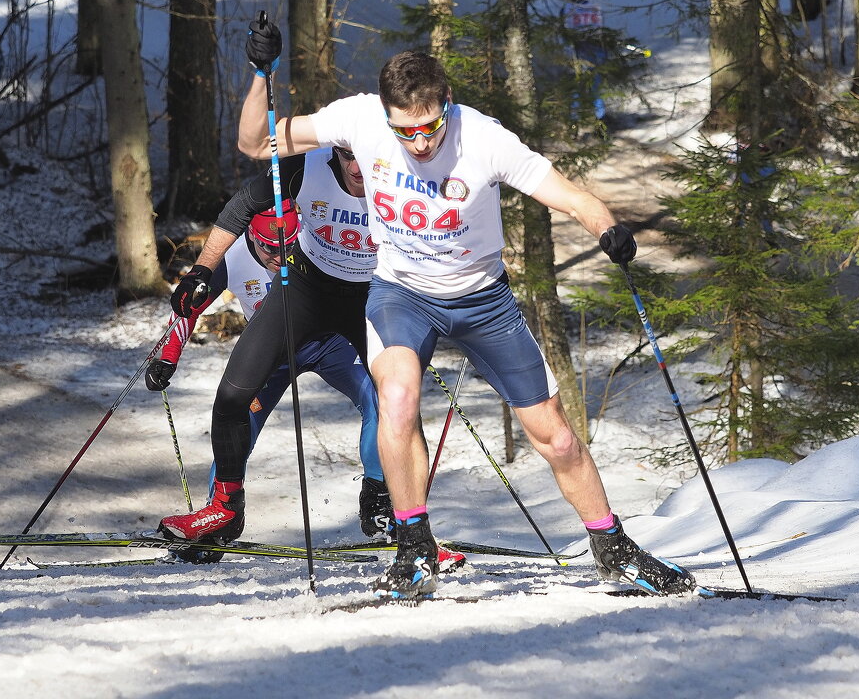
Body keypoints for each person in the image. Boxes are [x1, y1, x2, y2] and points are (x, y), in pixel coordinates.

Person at [254, 37, 696, 599]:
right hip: (401, 294)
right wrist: (259, 73)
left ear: (448, 104)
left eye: (429, 127)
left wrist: (606, 227)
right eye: (403, 131)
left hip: (483, 300)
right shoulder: (360, 118)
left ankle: (611, 547)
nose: (418, 141)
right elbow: (256, 140)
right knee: (396, 398)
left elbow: (568, 195)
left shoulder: (484, 138)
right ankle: (413, 547)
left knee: (555, 437)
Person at [160, 22, 465, 571]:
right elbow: (241, 203)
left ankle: (393, 511)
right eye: (345, 157)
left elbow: (452, 217)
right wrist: (204, 269)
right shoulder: (305, 170)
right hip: (304, 293)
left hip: (369, 300)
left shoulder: (397, 173)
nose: (355, 169)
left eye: (361, 158)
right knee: (232, 399)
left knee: (393, 401)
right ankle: (222, 512)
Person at [146, 201, 393, 540]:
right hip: (272, 355)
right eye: (269, 249)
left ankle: (379, 502)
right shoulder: (232, 254)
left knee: (383, 399)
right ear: (251, 235)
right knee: (237, 422)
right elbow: (192, 302)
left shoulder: (315, 232)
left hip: (332, 345)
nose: (279, 258)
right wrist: (168, 355)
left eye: (288, 246)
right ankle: (220, 518)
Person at [562, 0, 607, 123]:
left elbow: (564, 34)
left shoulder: (568, 9)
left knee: (577, 86)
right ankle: (599, 121)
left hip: (579, 52)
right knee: (594, 87)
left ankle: (576, 122)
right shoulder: (595, 8)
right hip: (594, 52)